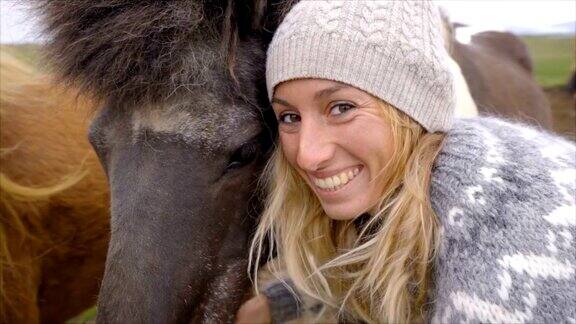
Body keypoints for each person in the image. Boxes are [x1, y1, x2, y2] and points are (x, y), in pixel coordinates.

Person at [236, 1, 576, 323]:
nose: (307, 155)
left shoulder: (506, 244)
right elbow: (382, 260)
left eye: (342, 108)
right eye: (290, 116)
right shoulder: (420, 178)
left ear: (411, 108)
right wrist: (276, 302)